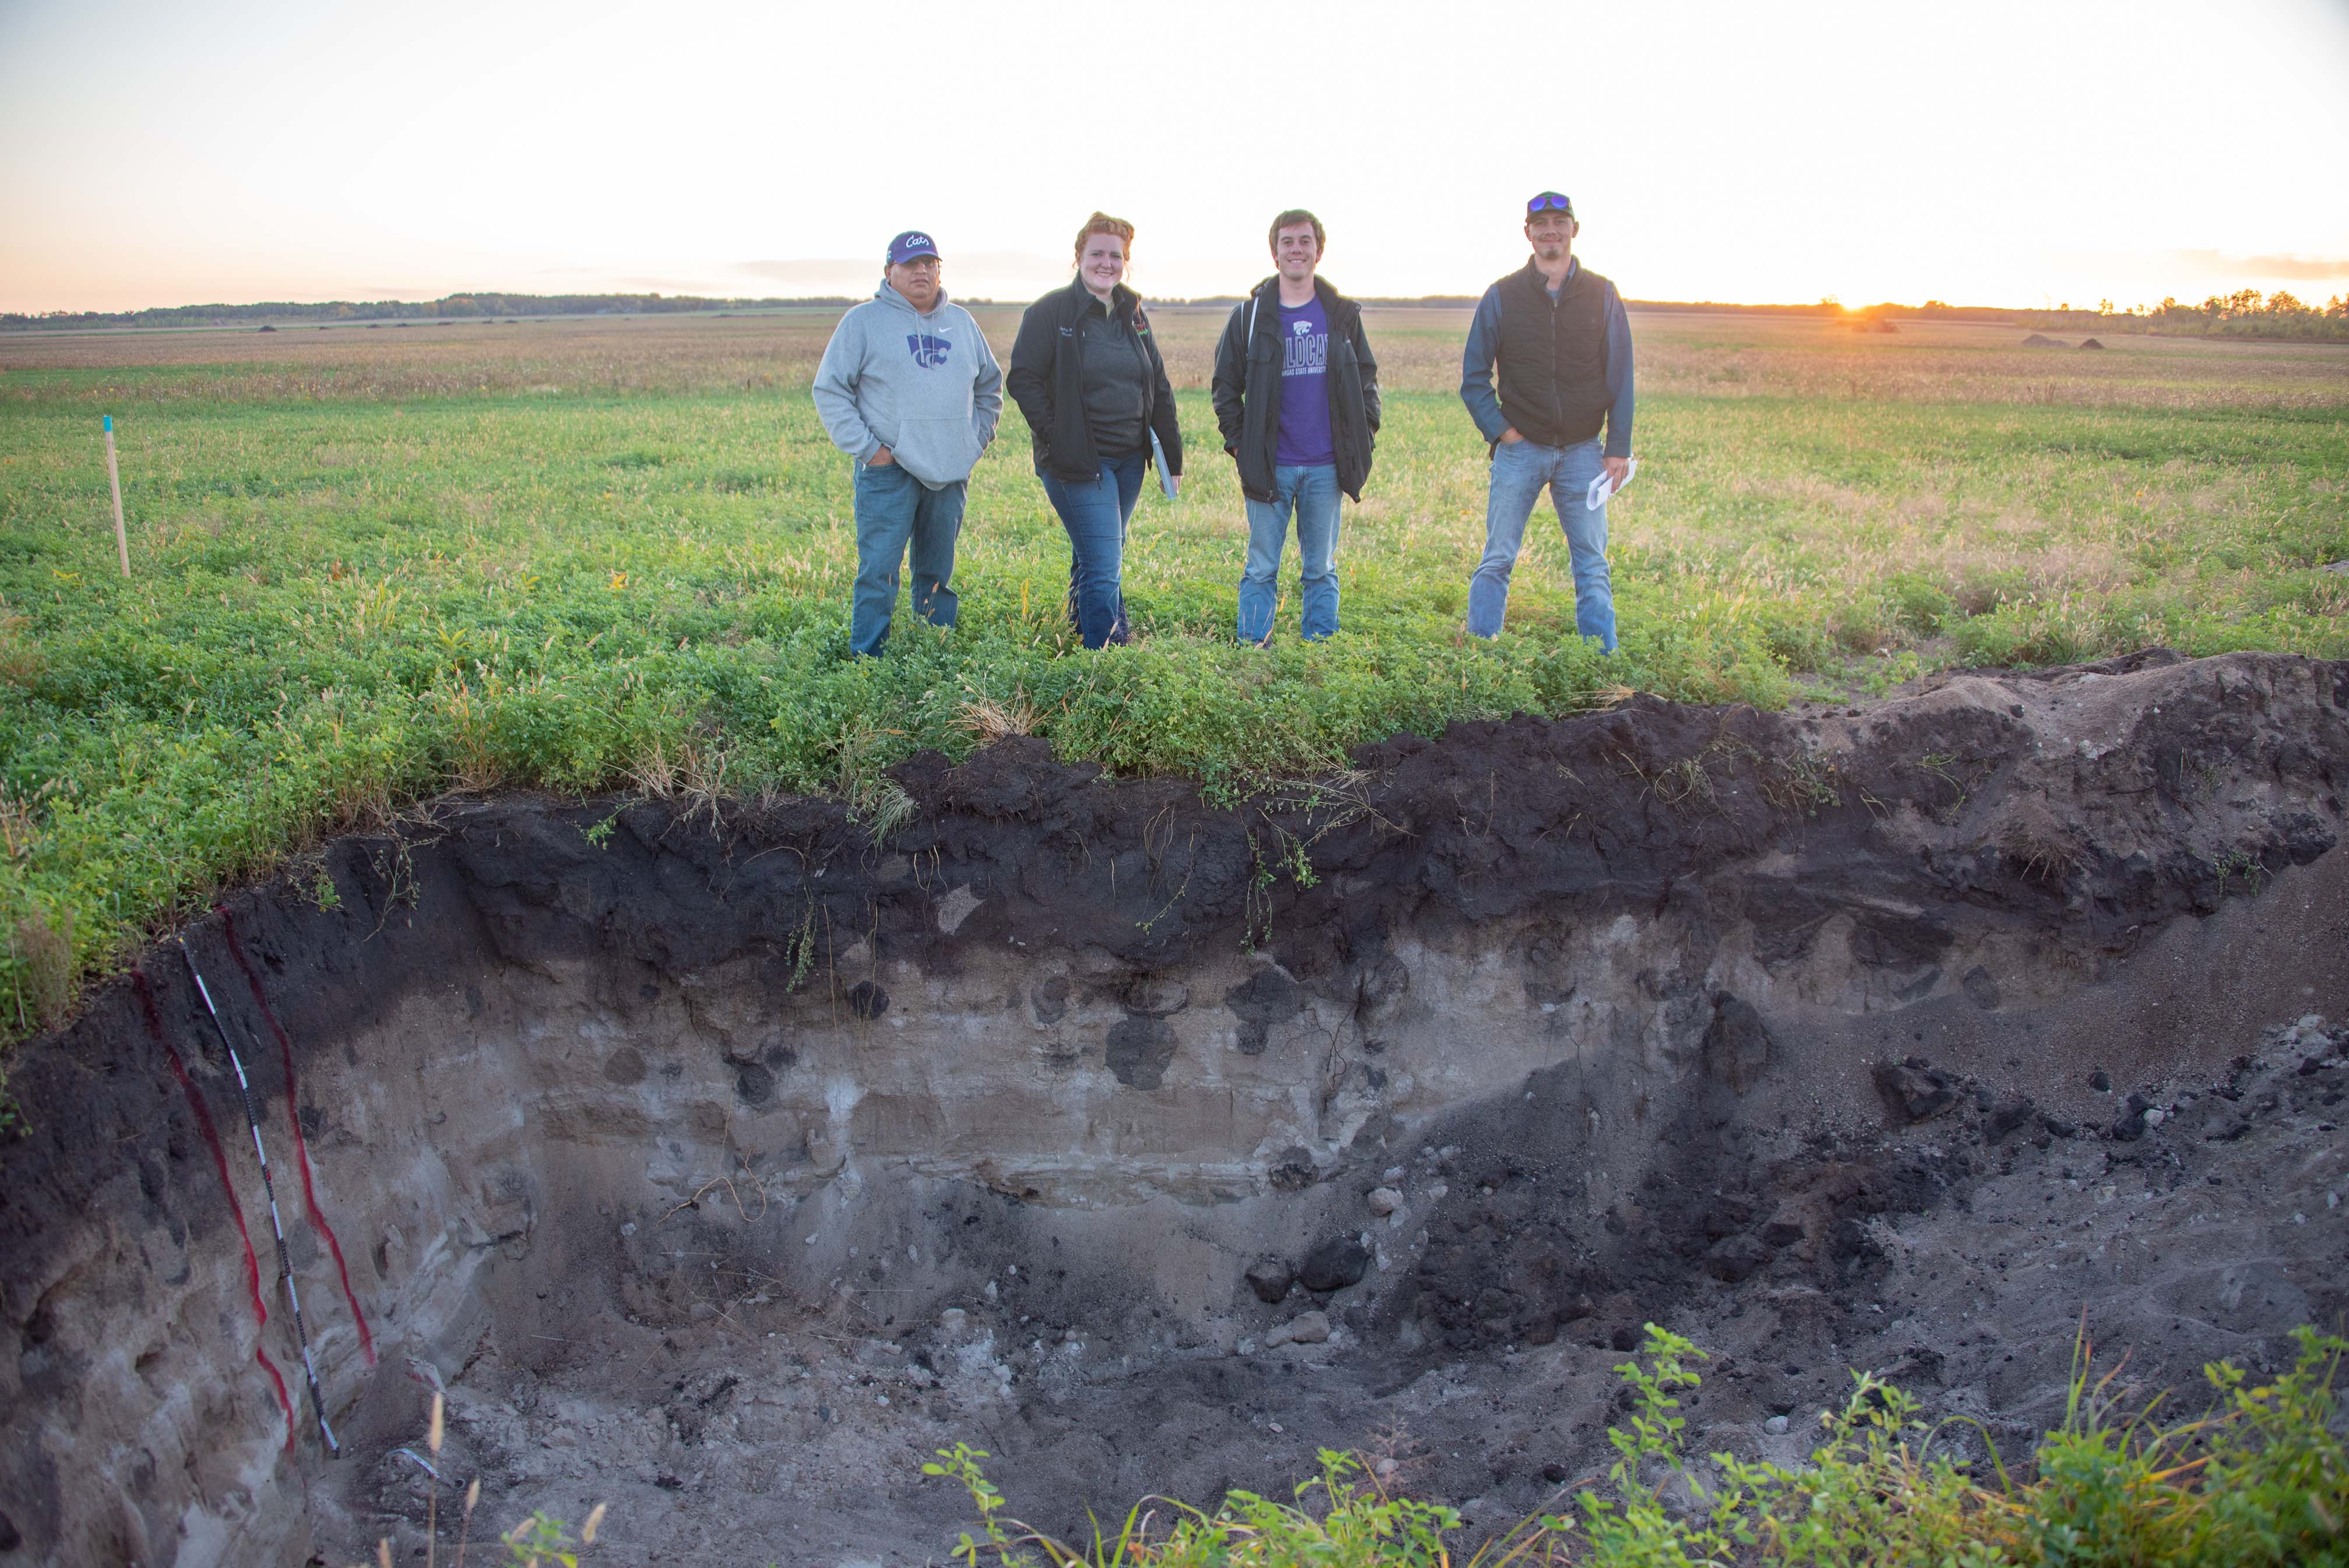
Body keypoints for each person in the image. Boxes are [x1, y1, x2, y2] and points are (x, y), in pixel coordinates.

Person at [812, 229, 1003, 657]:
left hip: (949, 470)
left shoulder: (963, 324)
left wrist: (974, 441)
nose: (921, 271)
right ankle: (867, 662)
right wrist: (870, 451)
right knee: (878, 572)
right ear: (889, 271)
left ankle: (931, 659)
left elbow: (990, 387)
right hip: (889, 470)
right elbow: (830, 390)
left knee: (937, 573)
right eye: (911, 264)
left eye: (929, 264)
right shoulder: (862, 323)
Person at [1459, 191, 1635, 651]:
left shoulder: (1602, 294)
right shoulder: (1501, 296)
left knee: (1591, 562)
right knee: (1497, 558)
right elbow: (1473, 378)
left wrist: (1617, 446)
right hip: (1521, 450)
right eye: (1541, 224)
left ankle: (1601, 663)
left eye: (1559, 221)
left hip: (1582, 450)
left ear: (1574, 229)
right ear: (1528, 233)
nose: (1550, 230)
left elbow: (1620, 374)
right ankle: (1480, 658)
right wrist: (1503, 432)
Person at [1007, 212, 1183, 649]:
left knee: (1098, 551)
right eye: (1097, 253)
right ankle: (1104, 656)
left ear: (1125, 261)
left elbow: (1157, 385)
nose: (1106, 263)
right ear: (1078, 257)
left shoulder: (1134, 314)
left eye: (1115, 255)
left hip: (1128, 461)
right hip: (1077, 462)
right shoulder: (1051, 312)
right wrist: (1057, 436)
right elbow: (1023, 379)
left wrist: (1172, 458)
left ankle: (1079, 626)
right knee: (1105, 561)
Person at [1211, 208, 1380, 645]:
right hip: (1270, 466)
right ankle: (1252, 650)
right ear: (1274, 253)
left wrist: (1365, 435)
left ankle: (1319, 652)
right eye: (1287, 242)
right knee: (1261, 566)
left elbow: (1366, 381)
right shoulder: (1248, 318)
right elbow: (1225, 388)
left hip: (1326, 467)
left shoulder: (1341, 316)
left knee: (1320, 567)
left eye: (1304, 241)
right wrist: (1240, 446)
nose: (1296, 250)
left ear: (1318, 251)